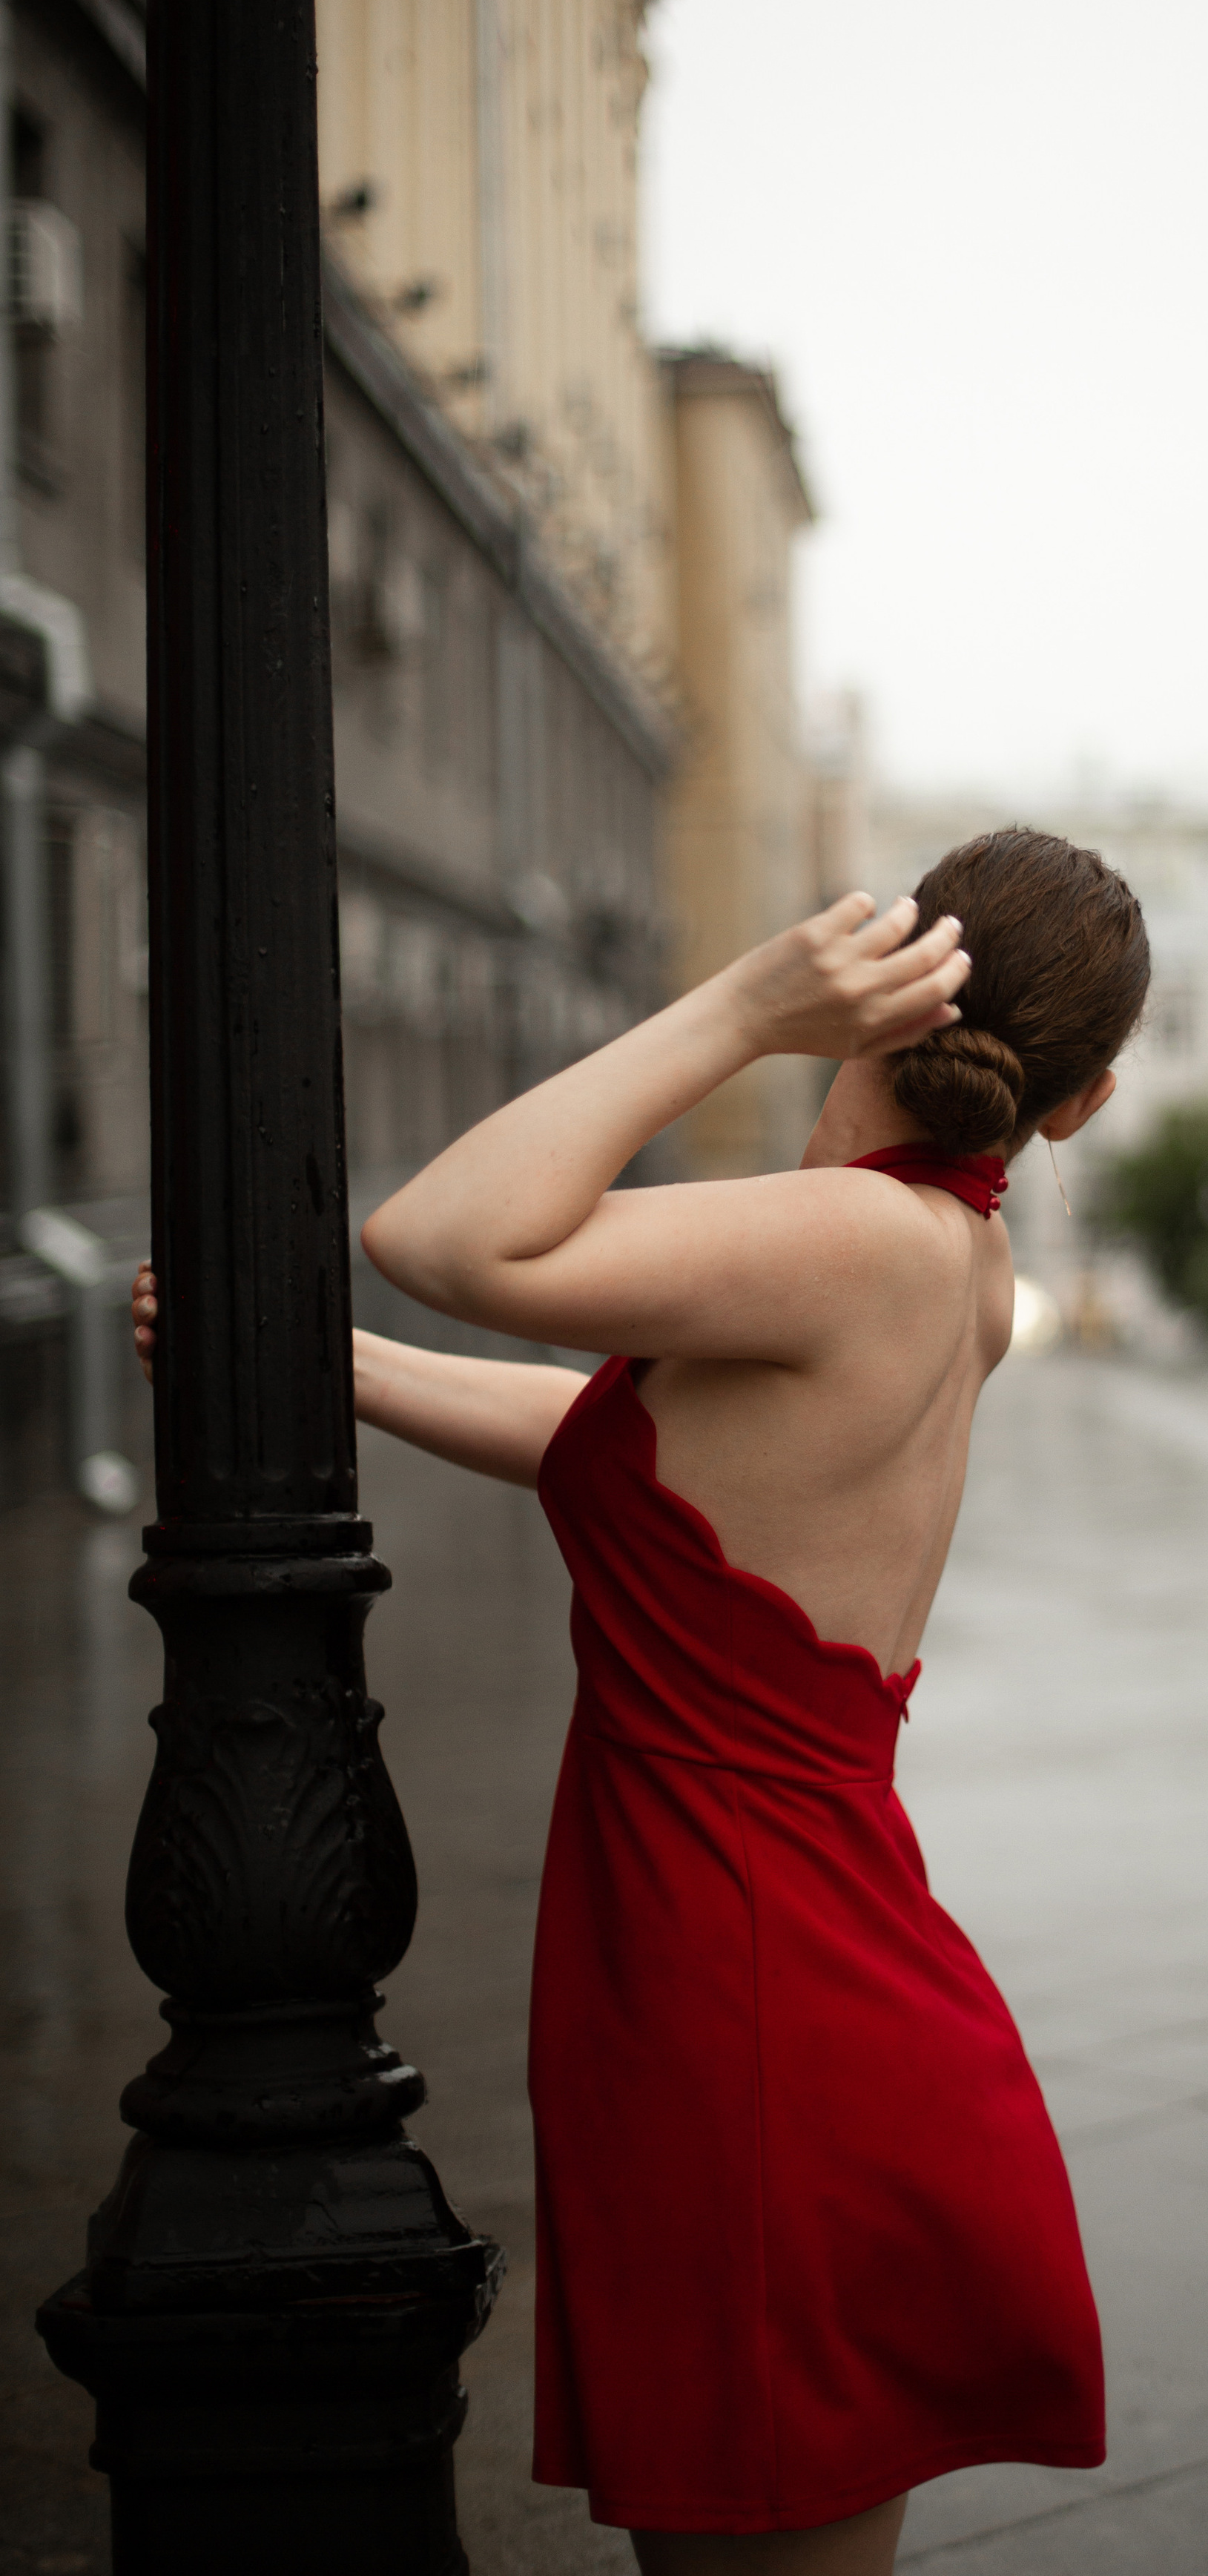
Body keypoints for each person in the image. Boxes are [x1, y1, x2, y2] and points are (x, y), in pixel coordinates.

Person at [133, 827, 1149, 2576]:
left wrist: (746, 1003)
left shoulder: (845, 1238)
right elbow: (646, 1466)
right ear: (1080, 1103)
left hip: (737, 1996)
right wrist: (352, 1374)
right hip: (795, 1970)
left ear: (873, 971)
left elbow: (440, 1228)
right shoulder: (951, 1268)